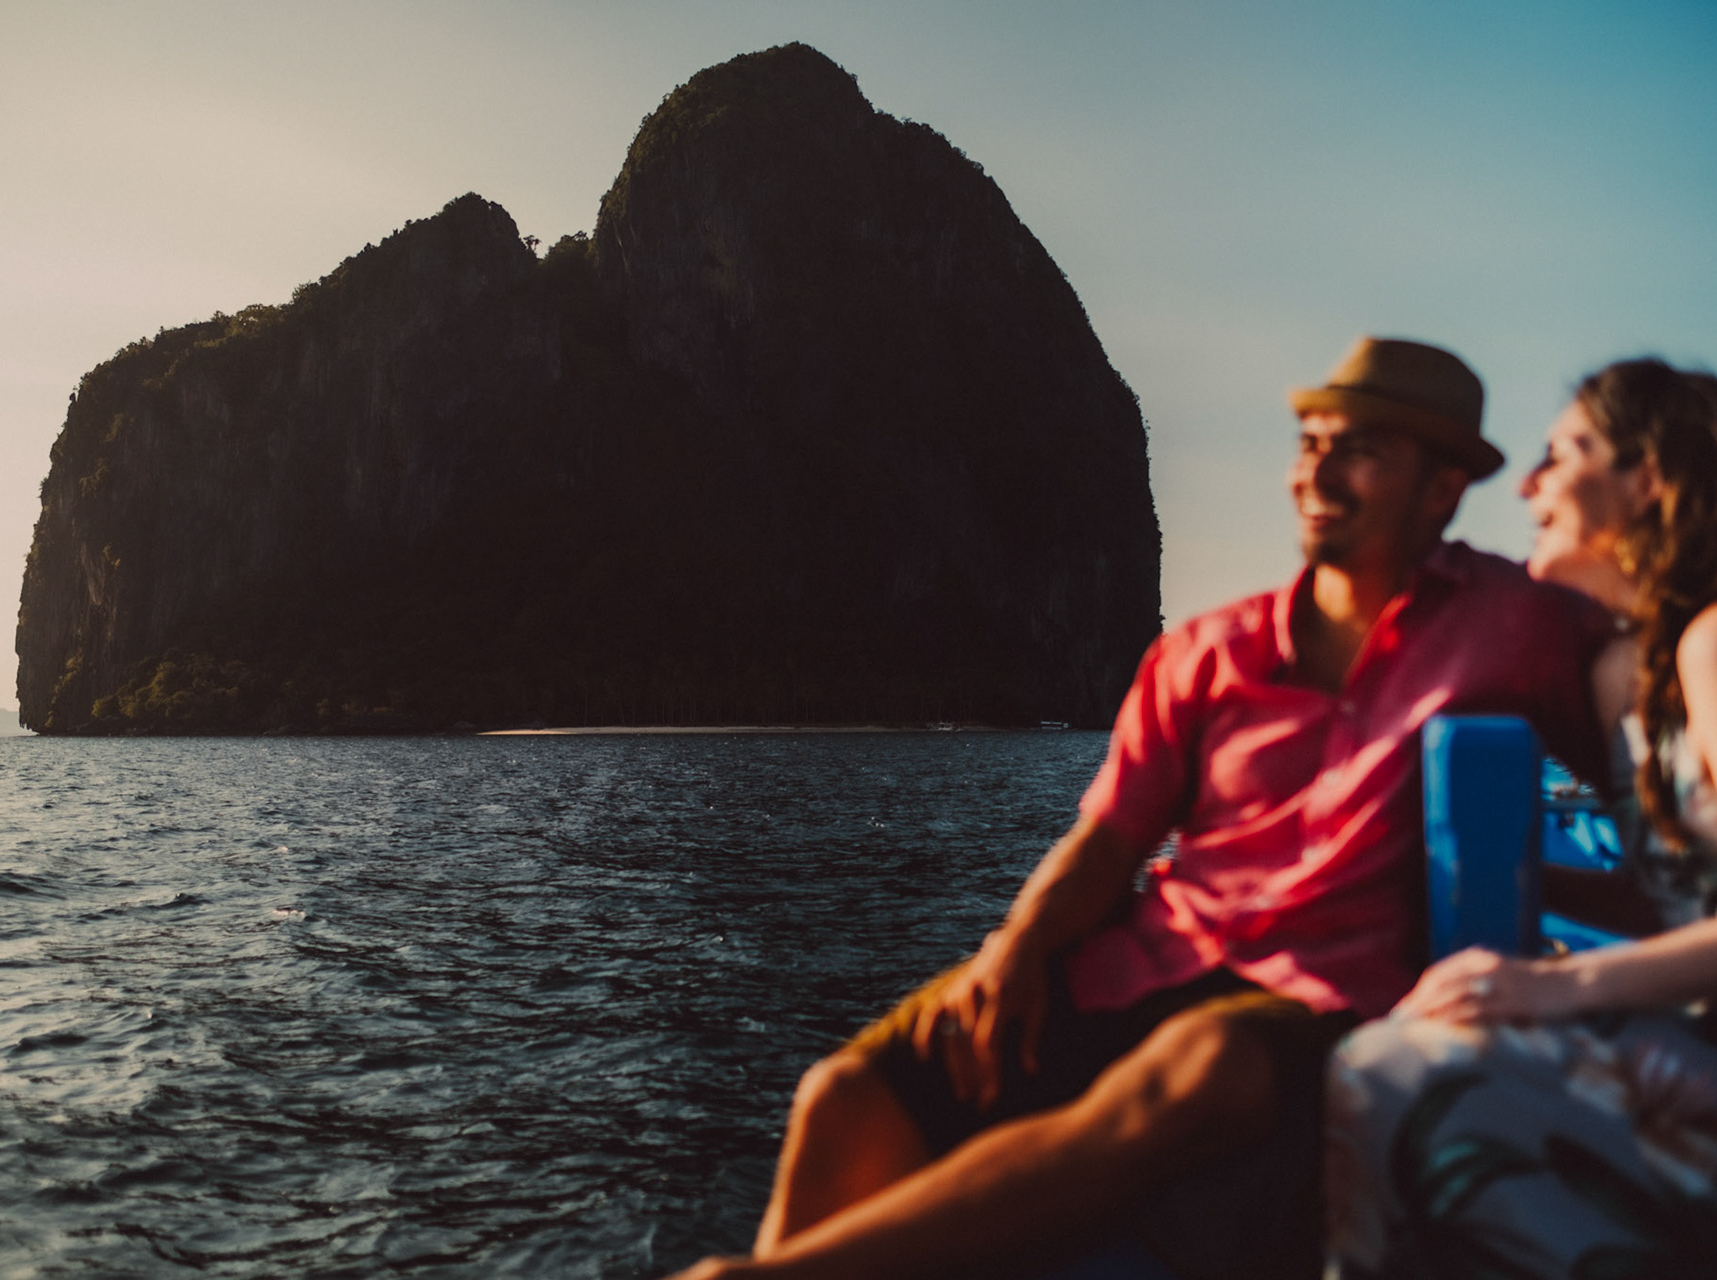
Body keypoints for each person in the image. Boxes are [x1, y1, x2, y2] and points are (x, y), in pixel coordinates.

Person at [666, 337, 1615, 1280]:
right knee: (844, 1095)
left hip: (1324, 1001)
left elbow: (1659, 725)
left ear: (1442, 488)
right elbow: (1111, 837)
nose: (1318, 472)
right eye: (1310, 443)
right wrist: (1017, 947)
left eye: (1360, 450)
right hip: (1151, 960)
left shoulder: (1515, 625)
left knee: (1207, 1067)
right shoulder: (1207, 651)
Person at [1326, 359, 1717, 1279]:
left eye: (1562, 455)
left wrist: (1556, 986)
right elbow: (1685, 894)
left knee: (1393, 1074)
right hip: (1705, 1038)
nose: (1527, 485)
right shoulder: (1626, 670)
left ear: (1649, 479)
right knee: (1389, 1055)